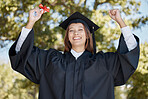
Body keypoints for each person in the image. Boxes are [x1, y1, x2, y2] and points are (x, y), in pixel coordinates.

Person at [9, 7, 140, 99]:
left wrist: (120, 22)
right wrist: (31, 22)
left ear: (88, 35)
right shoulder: (51, 61)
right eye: (71, 30)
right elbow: (21, 54)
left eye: (80, 29)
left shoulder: (104, 63)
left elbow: (130, 53)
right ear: (67, 36)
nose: (76, 33)